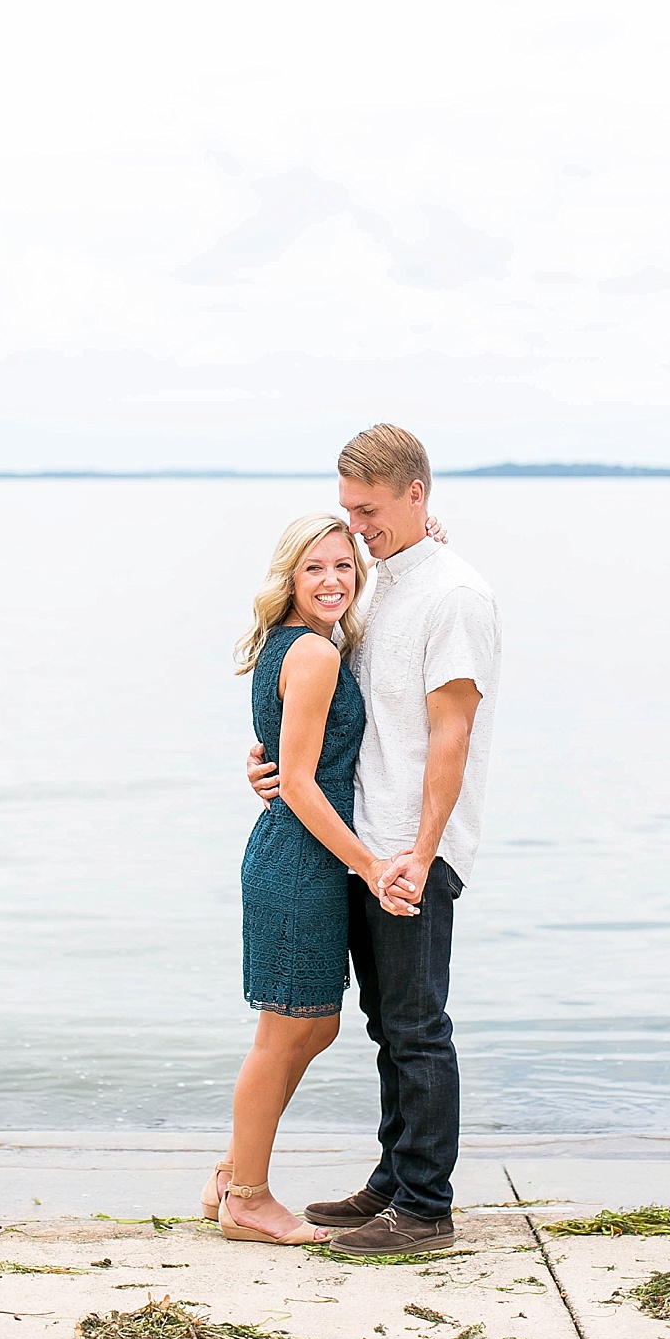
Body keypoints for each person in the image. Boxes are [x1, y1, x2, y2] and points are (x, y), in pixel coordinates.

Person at [245, 424, 501, 1257]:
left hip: (406, 852)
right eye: (349, 512)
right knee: (386, 1026)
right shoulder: (379, 581)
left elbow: (450, 736)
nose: (354, 528)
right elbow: (329, 714)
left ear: (415, 494)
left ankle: (425, 1208)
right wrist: (274, 763)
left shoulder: (455, 596)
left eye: (368, 510)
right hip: (359, 841)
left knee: (419, 1026)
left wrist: (421, 855)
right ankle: (393, 1181)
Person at [205, 514, 419, 1246]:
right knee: (283, 1033)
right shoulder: (316, 656)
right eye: (314, 569)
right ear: (289, 578)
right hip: (300, 859)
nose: (332, 581)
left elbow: (284, 759)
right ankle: (250, 1200)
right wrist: (371, 864)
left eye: (344, 567)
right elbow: (295, 778)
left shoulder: (296, 645)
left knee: (314, 1025)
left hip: (299, 855)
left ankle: (230, 1173)